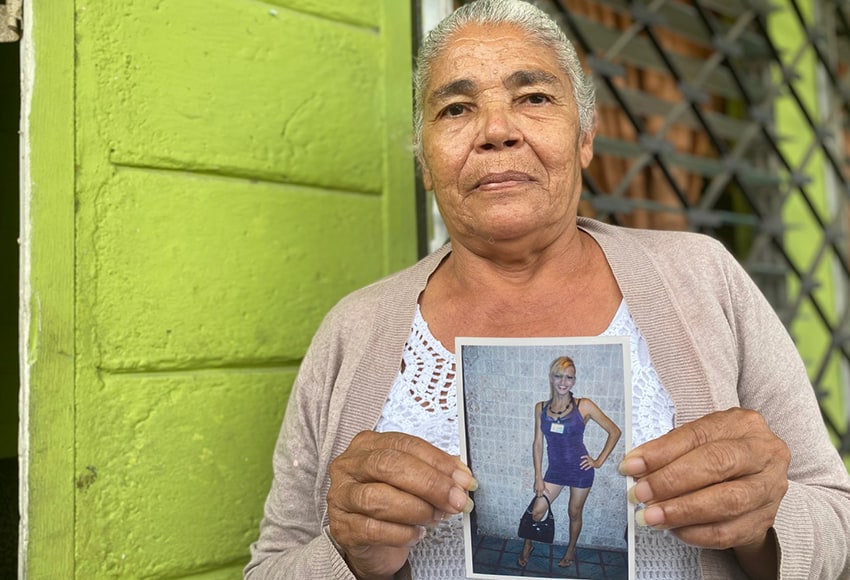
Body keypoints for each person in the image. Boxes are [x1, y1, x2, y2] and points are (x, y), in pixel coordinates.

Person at [244, 0, 850, 579]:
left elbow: (836, 516)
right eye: (455, 109)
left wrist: (764, 524)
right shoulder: (354, 330)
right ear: (425, 162)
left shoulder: (703, 277)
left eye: (533, 97)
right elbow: (273, 564)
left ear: (585, 138)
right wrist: (349, 557)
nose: (496, 130)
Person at [518, 355, 622, 568]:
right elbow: (537, 444)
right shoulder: (540, 408)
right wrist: (538, 476)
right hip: (555, 471)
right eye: (558, 376)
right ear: (551, 378)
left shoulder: (584, 406)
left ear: (574, 380)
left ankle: (571, 549)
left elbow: (614, 431)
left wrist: (598, 461)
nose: (563, 382)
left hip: (580, 470)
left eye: (569, 377)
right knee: (536, 511)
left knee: (574, 513)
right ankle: (528, 544)